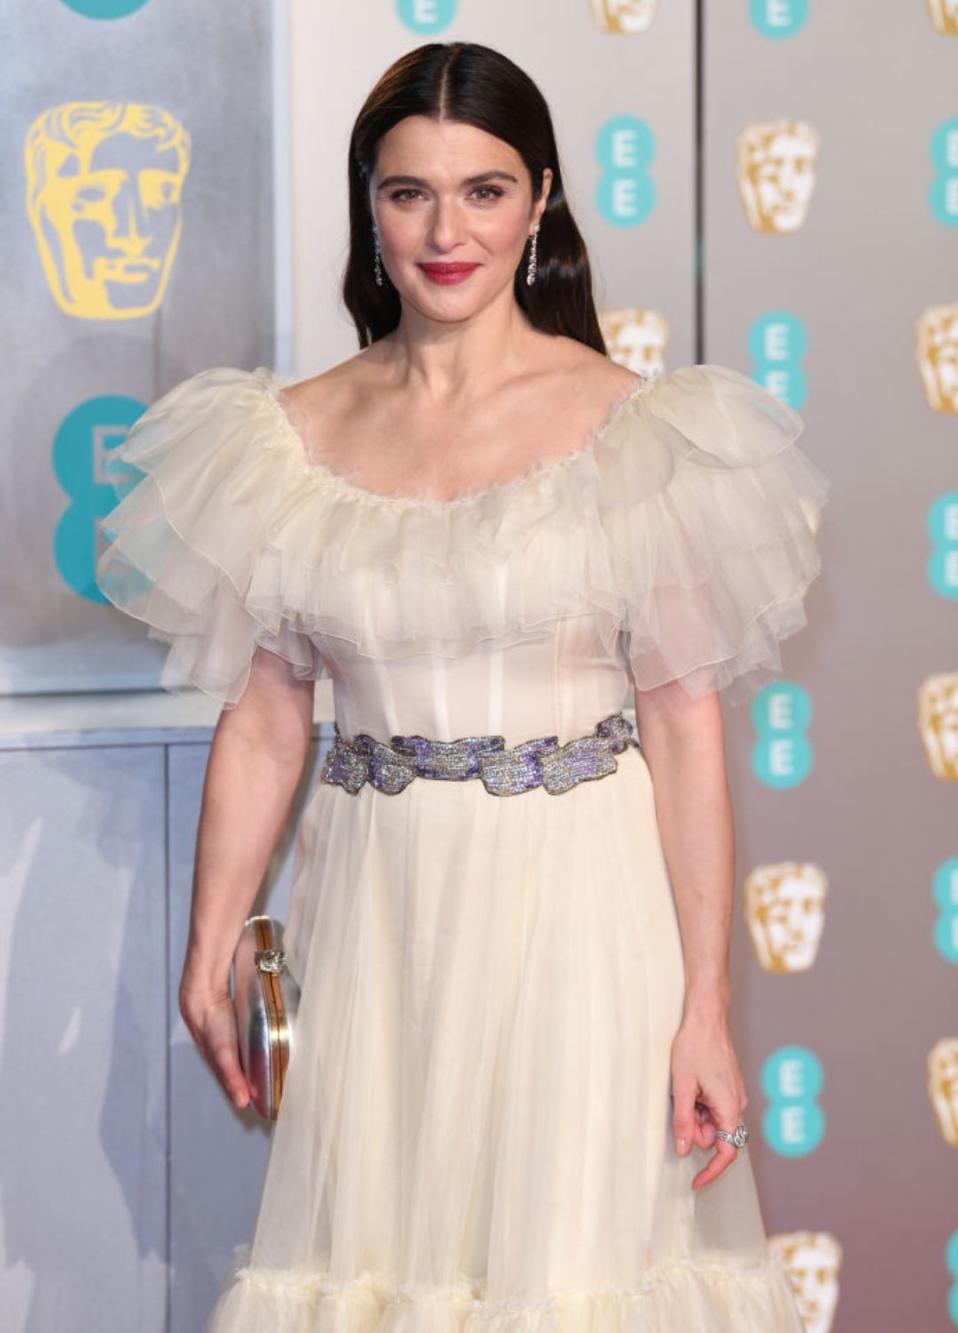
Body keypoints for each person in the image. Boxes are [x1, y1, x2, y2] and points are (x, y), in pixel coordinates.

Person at [95, 40, 829, 1333]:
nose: (447, 231)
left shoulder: (638, 430)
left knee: (573, 1274)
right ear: (366, 206)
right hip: (376, 917)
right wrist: (212, 940)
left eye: (484, 191)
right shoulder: (286, 436)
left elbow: (683, 720)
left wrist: (705, 1003)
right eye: (409, 192)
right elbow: (269, 719)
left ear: (541, 200)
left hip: (582, 915)